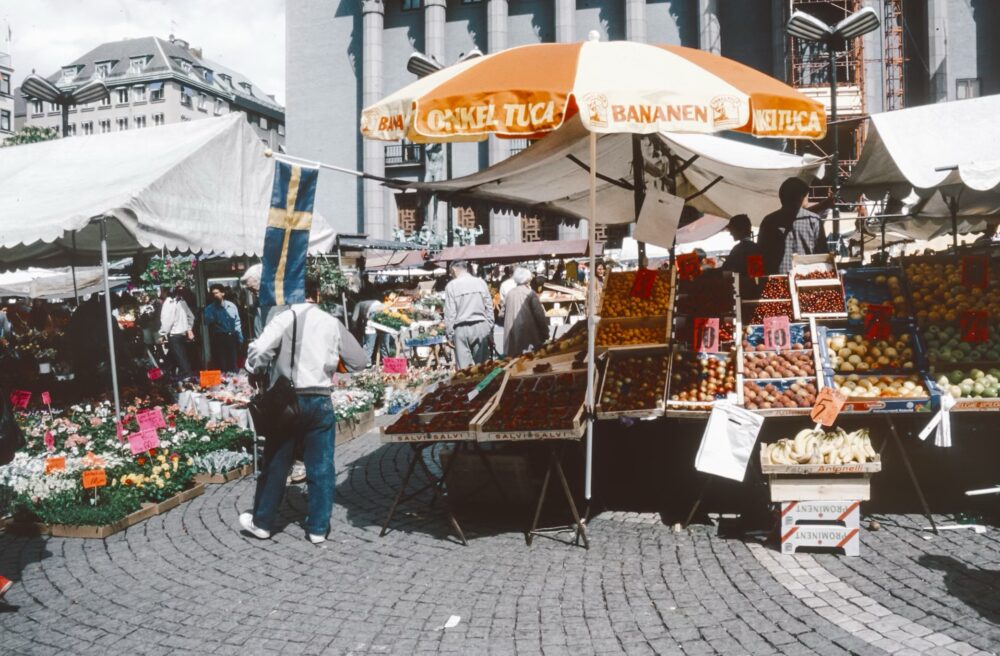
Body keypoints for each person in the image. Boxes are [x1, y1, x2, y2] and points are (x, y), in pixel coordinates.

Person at [240, 273, 341, 544]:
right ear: (317, 294)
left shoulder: (285, 317)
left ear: (292, 295)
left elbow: (259, 349)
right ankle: (318, 528)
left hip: (289, 400)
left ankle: (262, 522)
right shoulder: (331, 322)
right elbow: (340, 360)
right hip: (320, 397)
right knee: (321, 467)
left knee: (276, 462)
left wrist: (255, 368)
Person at [758, 177, 827, 275]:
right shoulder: (814, 220)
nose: (808, 198)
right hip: (805, 282)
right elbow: (822, 256)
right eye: (807, 196)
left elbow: (758, 255)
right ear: (801, 197)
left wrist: (757, 283)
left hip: (776, 284)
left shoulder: (769, 221)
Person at [444, 260, 494, 369]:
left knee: (464, 369)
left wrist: (450, 333)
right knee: (483, 367)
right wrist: (489, 327)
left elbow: (450, 313)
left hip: (461, 328)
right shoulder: (481, 282)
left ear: (453, 270)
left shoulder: (451, 286)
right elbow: (489, 307)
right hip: (481, 326)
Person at [502, 267, 549, 357]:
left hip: (511, 337)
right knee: (528, 361)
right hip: (527, 336)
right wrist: (545, 333)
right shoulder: (530, 293)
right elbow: (539, 315)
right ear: (528, 279)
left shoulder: (509, 293)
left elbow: (501, 313)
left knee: (513, 363)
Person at [204, 283, 243, 373]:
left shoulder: (232, 306)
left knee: (233, 361)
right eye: (213, 294)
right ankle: (223, 382)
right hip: (219, 337)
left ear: (223, 293)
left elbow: (237, 322)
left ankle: (234, 382)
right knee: (222, 363)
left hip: (232, 336)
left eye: (217, 293)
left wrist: (240, 338)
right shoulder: (210, 308)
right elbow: (207, 322)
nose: (215, 295)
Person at [158, 286, 195, 379]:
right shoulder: (182, 302)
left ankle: (187, 376)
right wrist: (188, 328)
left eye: (161, 290)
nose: (160, 293)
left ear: (165, 291)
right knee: (176, 356)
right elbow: (191, 317)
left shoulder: (168, 303)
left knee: (181, 359)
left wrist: (162, 334)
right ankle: (166, 374)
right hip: (182, 335)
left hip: (174, 334)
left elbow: (167, 320)